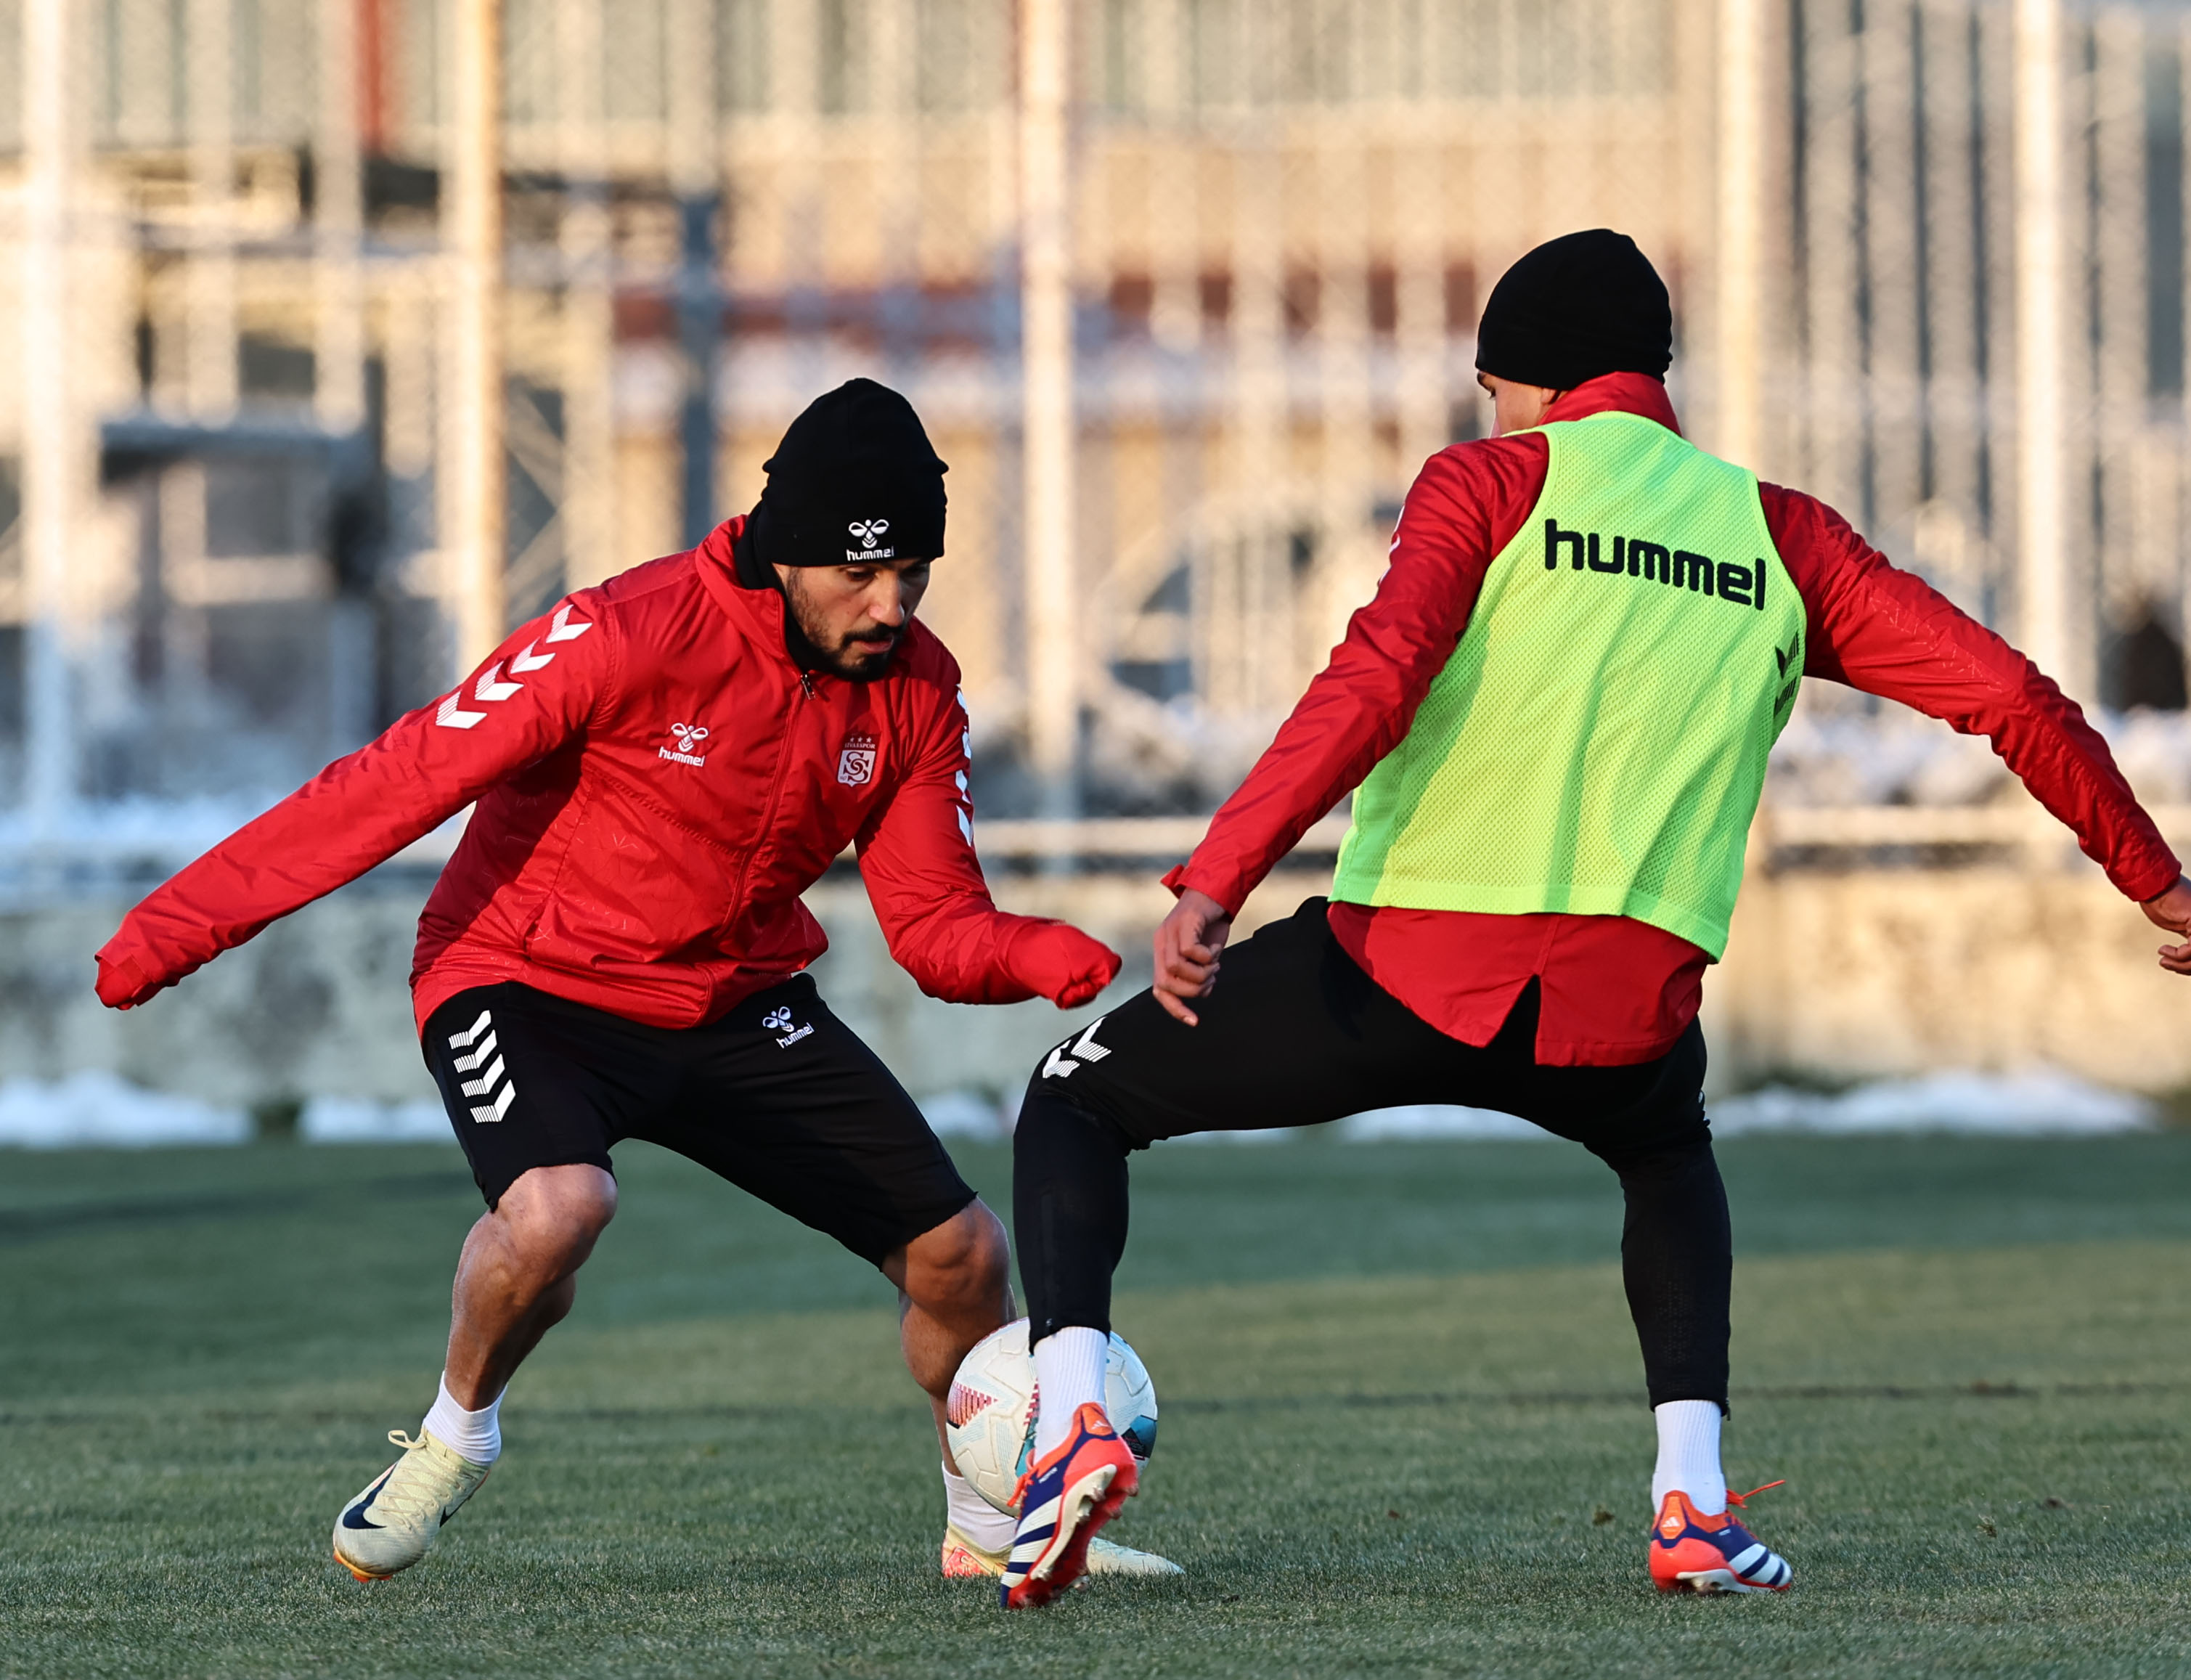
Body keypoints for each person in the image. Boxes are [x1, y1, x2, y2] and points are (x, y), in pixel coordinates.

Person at [996, 231, 2191, 1607]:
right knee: (1670, 1157)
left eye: (1490, 383)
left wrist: (1220, 871)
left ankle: (1066, 1421)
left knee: (1075, 1097)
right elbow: (2012, 699)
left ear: (1534, 385)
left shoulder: (1491, 481)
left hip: (1400, 970)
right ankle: (1691, 1505)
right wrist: (2154, 880)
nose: (1485, 409)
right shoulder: (1779, 534)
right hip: (1621, 1015)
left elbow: (1376, 677)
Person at [94, 378, 1179, 1587]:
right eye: (861, 575)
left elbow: (931, 923)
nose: (890, 606)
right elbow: (405, 775)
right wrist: (179, 923)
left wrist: (1024, 949)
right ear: (785, 556)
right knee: (558, 1212)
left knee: (961, 1257)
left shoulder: (916, 686)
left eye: (913, 573)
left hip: (730, 996)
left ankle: (986, 1534)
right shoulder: (628, 630)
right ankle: (456, 1435)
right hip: (525, 976)